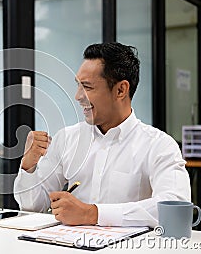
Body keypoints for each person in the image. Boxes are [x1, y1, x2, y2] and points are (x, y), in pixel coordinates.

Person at [13, 42, 191, 227]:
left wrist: (93, 214)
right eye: (78, 86)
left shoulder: (158, 145)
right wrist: (29, 166)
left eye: (87, 87)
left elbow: (176, 207)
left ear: (121, 90)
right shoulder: (67, 138)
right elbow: (34, 207)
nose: (78, 96)